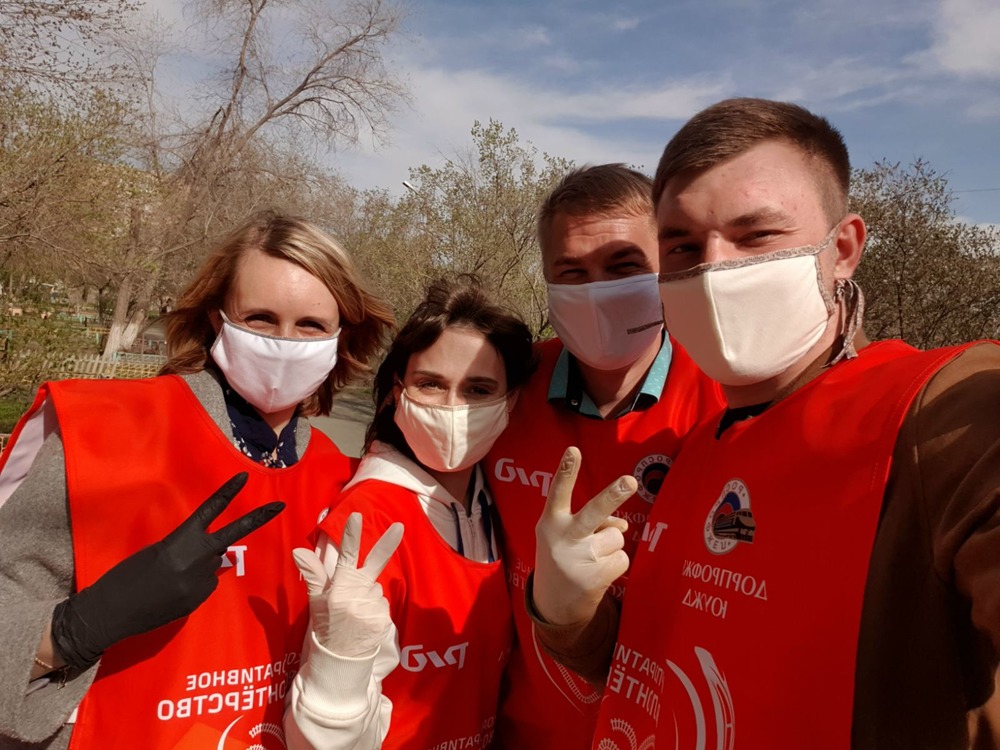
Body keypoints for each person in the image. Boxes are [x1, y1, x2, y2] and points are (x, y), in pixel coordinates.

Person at [529, 98, 1000, 749]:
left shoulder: (937, 414)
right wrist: (565, 611)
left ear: (842, 249)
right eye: (684, 246)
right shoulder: (700, 448)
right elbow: (653, 665)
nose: (715, 268)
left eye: (756, 235)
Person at [0, 212, 394, 749]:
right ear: (217, 319)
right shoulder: (103, 430)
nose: (285, 342)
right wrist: (76, 628)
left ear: (341, 336)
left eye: (310, 326)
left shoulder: (341, 476)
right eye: (260, 318)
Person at [484, 164, 723, 750]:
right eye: (573, 273)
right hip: (527, 732)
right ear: (547, 280)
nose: (596, 292)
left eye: (623, 267)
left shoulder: (725, 397)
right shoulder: (503, 388)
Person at [285, 276, 537, 749]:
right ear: (398, 392)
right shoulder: (367, 520)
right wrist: (339, 666)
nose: (452, 408)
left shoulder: (496, 505)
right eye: (431, 384)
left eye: (478, 389)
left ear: (511, 401)